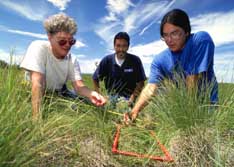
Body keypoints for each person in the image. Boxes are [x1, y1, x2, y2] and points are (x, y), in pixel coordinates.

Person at [126, 9, 218, 122]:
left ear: (186, 32)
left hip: (206, 110)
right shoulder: (159, 60)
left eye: (174, 33)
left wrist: (185, 116)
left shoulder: (200, 40)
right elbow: (151, 88)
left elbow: (192, 78)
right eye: (165, 35)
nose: (169, 40)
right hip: (179, 114)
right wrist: (135, 111)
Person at [20, 13, 106, 120]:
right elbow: (37, 83)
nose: (67, 45)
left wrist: (92, 93)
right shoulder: (38, 47)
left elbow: (79, 87)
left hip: (59, 92)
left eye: (71, 41)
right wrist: (36, 120)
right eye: (62, 41)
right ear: (50, 37)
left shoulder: (72, 59)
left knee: (83, 105)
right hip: (34, 91)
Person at [92, 32, 146, 108]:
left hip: (128, 99)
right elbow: (95, 78)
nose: (121, 49)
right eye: (118, 46)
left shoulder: (135, 60)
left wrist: (132, 99)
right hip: (110, 97)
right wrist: (100, 96)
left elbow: (141, 82)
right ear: (114, 46)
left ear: (128, 46)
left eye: (124, 46)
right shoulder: (107, 60)